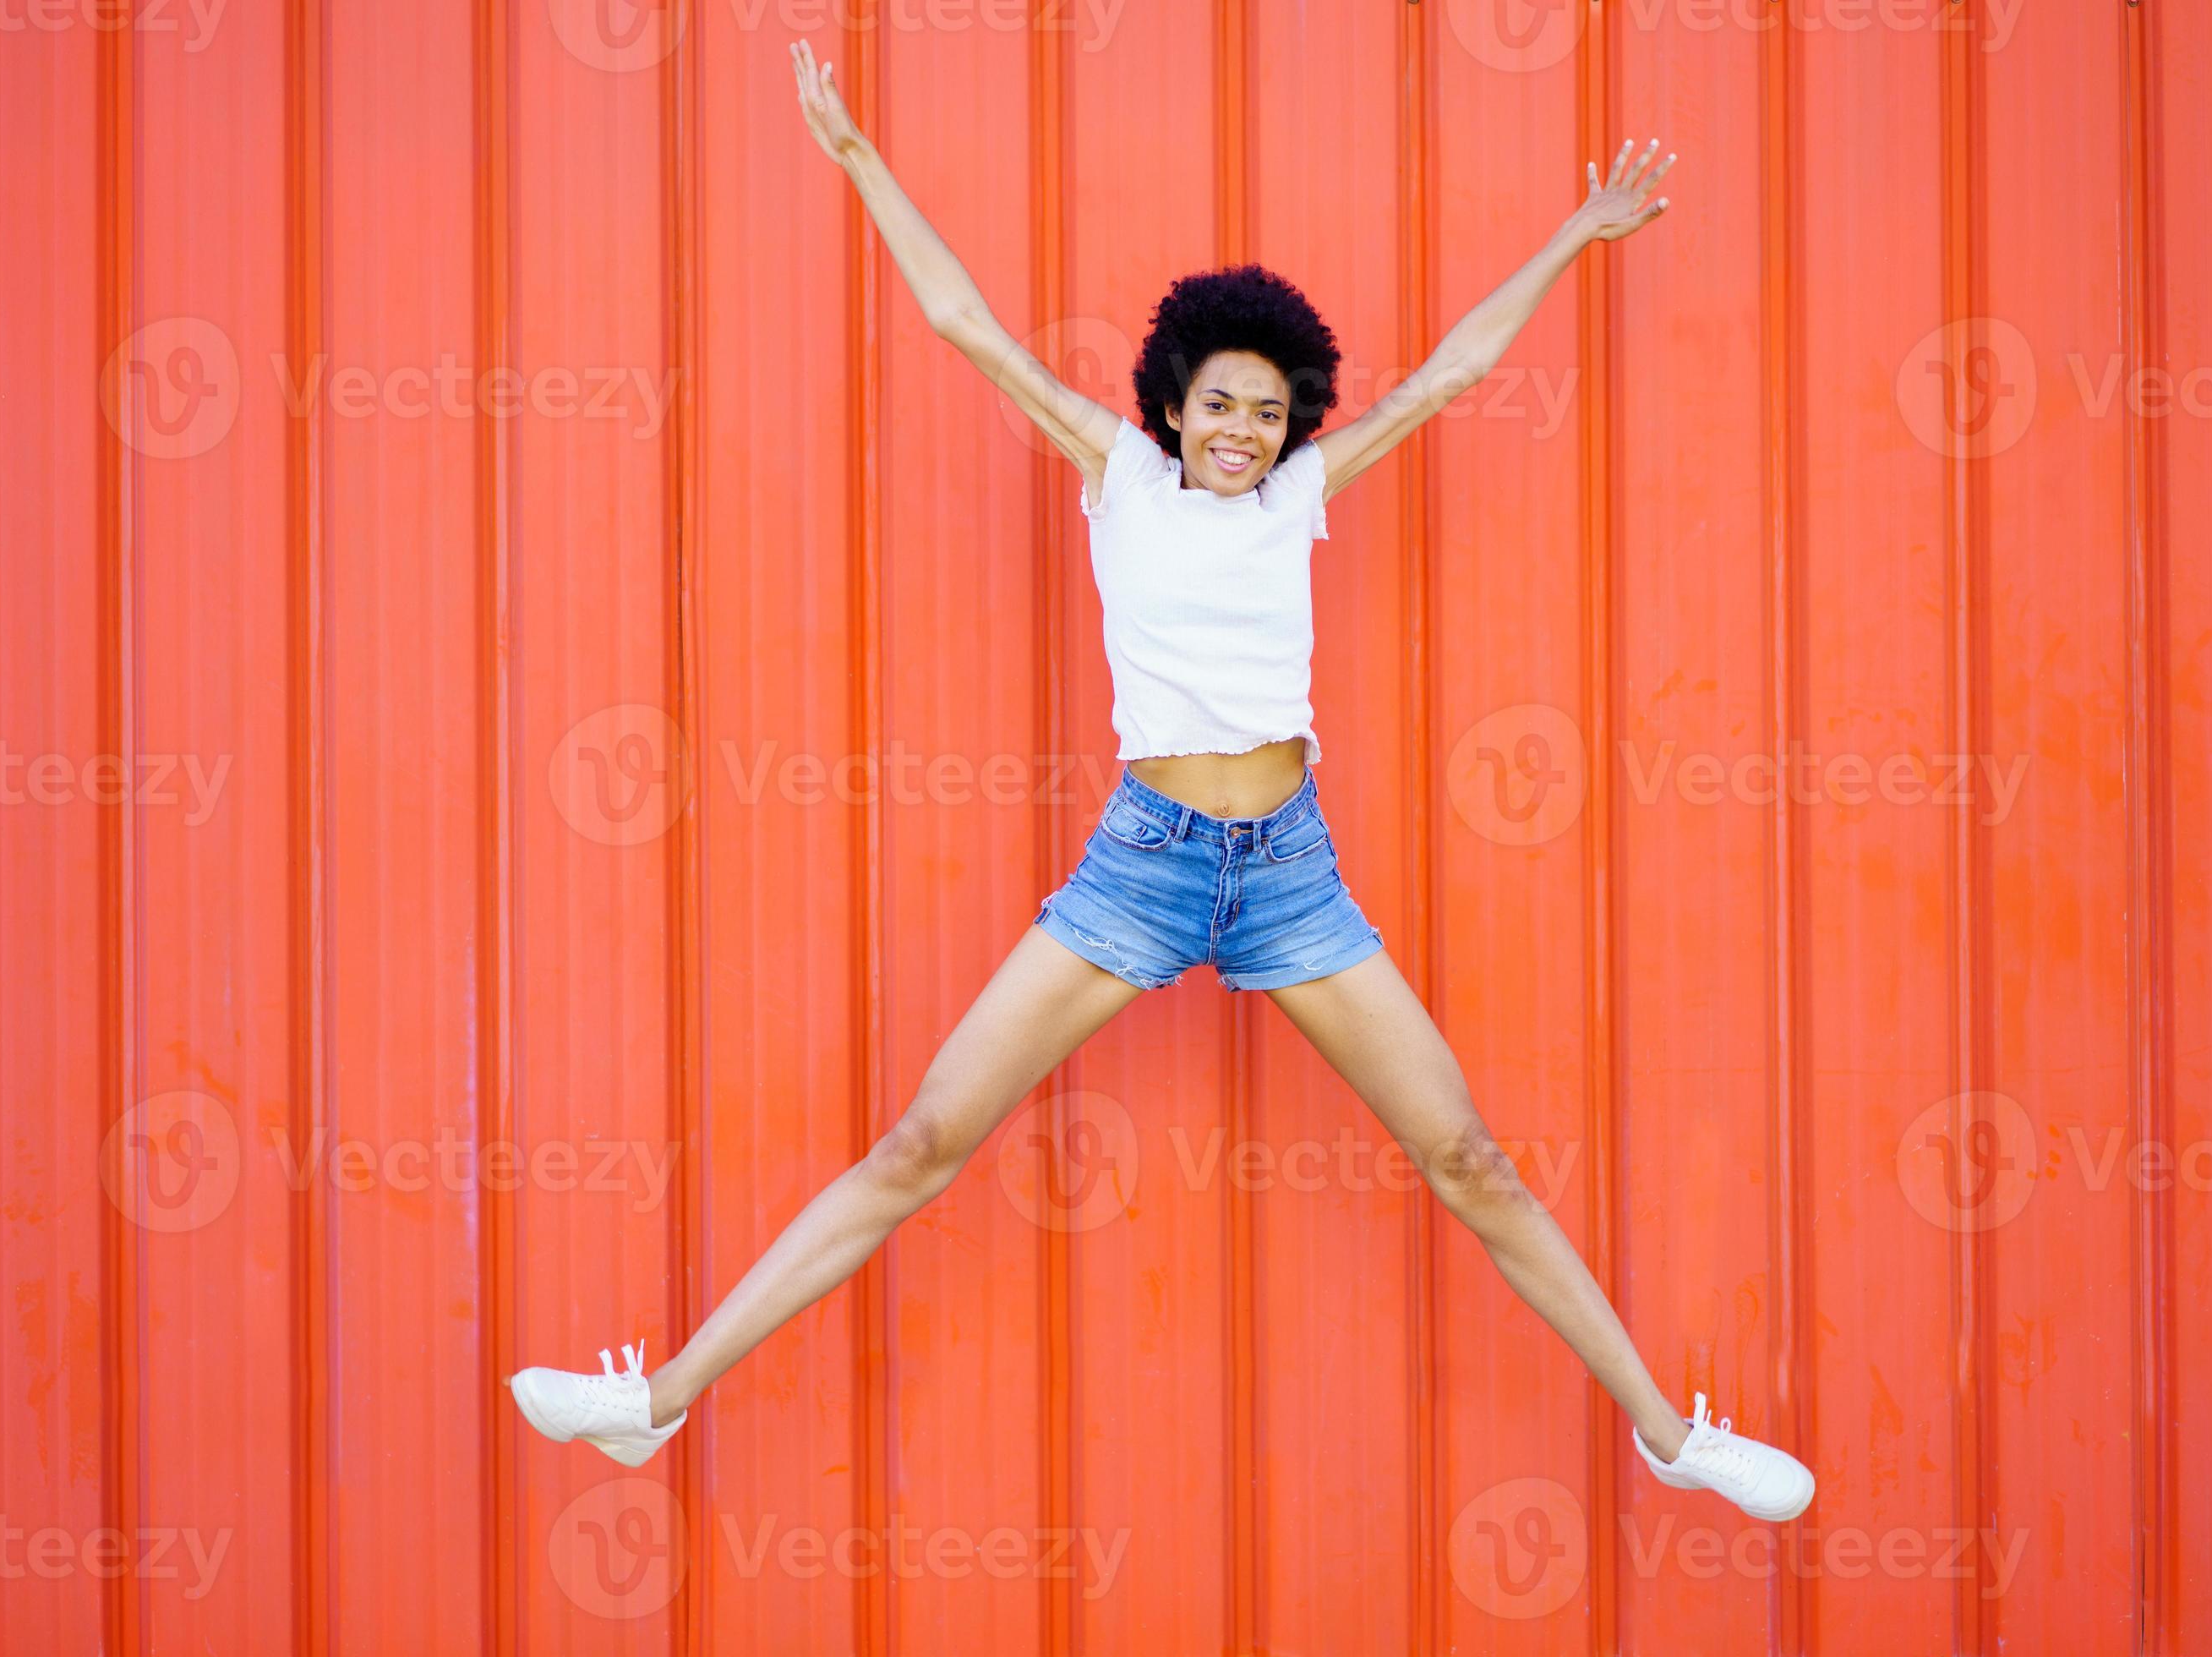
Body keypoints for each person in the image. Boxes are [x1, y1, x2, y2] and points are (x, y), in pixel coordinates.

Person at [509, 37, 1812, 1528]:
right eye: (1218, 404)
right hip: (1144, 866)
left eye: (1268, 408)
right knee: (923, 1142)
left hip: (1290, 875)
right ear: (1173, 404)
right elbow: (962, 323)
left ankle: (1669, 1433)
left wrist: (1576, 241)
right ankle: (652, 1402)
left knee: (1468, 1157)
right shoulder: (1119, 475)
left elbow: (1458, 372)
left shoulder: (1307, 493)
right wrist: (858, 159)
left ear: (1293, 416)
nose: (1243, 429)